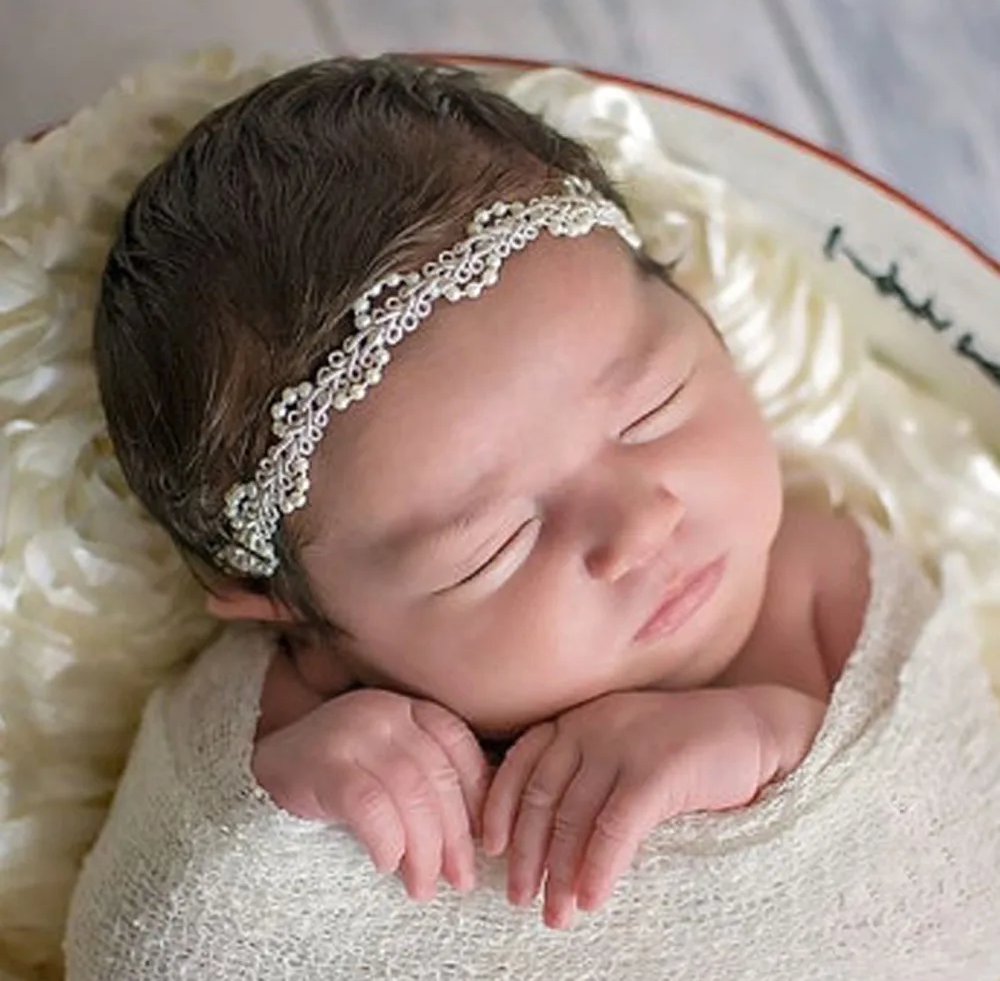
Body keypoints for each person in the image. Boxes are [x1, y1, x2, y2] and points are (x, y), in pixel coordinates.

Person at [64, 55, 998, 979]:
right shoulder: (308, 722)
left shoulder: (815, 583)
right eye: (493, 547)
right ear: (298, 617)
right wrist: (274, 804)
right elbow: (158, 929)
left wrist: (766, 742)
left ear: (702, 319)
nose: (640, 524)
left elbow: (958, 837)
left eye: (654, 406)